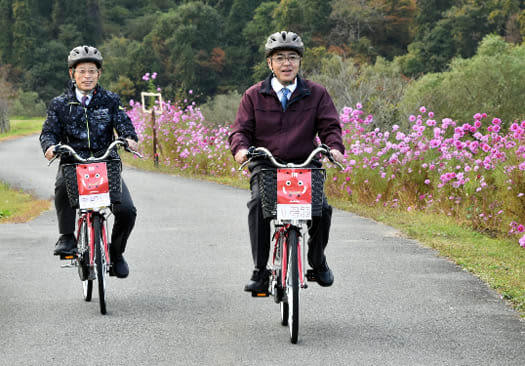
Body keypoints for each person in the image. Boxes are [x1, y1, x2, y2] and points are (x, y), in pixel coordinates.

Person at [228, 31, 345, 292]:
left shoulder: (316, 94)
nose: (286, 63)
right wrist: (241, 149)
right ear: (270, 63)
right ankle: (260, 270)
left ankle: (317, 260)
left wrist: (334, 148)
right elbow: (240, 131)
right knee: (259, 205)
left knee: (322, 210)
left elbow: (330, 126)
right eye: (279, 58)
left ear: (300, 62)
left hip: (306, 162)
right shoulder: (253, 95)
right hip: (267, 164)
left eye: (292, 57)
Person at [40, 45, 139, 278]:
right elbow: (48, 132)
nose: (87, 76)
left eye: (92, 71)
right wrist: (50, 147)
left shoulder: (110, 100)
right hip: (74, 162)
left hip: (106, 163)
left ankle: (116, 253)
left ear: (99, 74)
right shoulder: (59, 104)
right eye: (82, 71)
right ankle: (66, 237)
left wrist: (130, 139)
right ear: (72, 74)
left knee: (127, 210)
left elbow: (124, 125)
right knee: (62, 186)